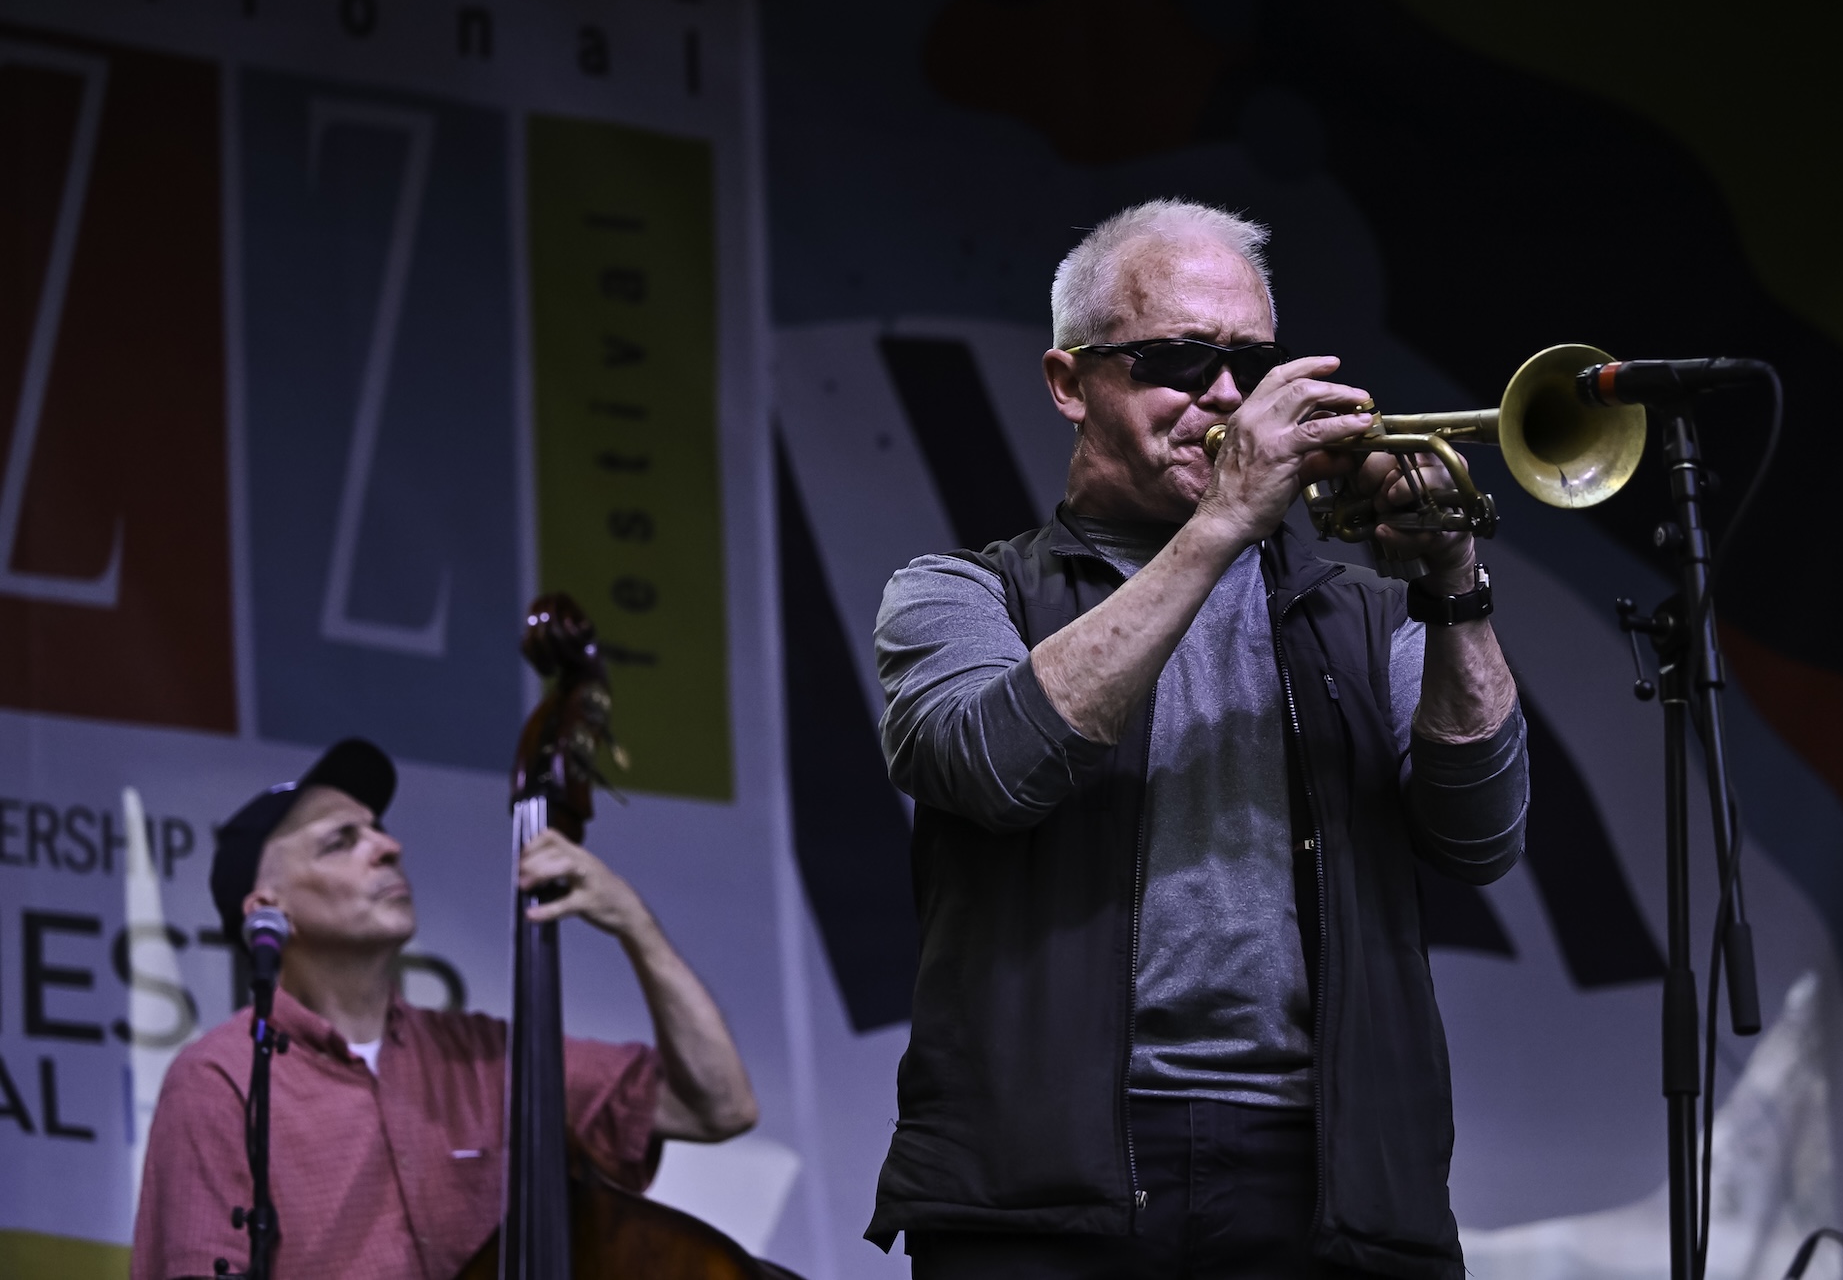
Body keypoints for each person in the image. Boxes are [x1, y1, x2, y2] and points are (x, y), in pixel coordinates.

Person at [866, 199, 1530, 1278]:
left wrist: (1451, 581)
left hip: (1321, 1178)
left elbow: (1481, 835)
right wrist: (1223, 521)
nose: (1222, 396)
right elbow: (994, 767)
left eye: (1248, 363)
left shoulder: (1363, 617)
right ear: (1068, 382)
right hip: (1042, 1181)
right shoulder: (954, 592)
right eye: (1177, 359)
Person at [132, 737, 758, 1280]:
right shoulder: (218, 1080)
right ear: (268, 906)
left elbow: (718, 1106)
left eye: (376, 827)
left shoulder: (486, 1058)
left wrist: (633, 924)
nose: (387, 845)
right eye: (341, 841)